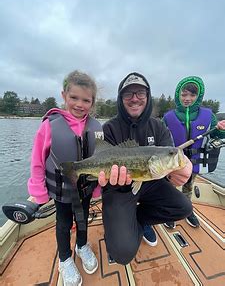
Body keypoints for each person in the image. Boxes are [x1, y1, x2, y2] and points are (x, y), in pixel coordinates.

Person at [97, 72, 193, 265]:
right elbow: (99, 159)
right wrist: (106, 179)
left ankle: (140, 220)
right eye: (128, 94)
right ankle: (120, 225)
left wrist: (184, 168)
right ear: (120, 98)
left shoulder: (158, 127)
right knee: (122, 254)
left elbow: (170, 158)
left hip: (151, 183)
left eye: (140, 93)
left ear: (148, 97)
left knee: (183, 207)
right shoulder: (107, 128)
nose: (135, 99)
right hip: (118, 189)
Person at [28, 70, 103, 286]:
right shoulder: (49, 126)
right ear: (64, 95)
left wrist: (97, 188)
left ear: (92, 102)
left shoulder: (97, 129)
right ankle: (65, 258)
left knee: (83, 219)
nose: (80, 104)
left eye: (86, 100)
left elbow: (101, 159)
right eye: (74, 98)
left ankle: (82, 245)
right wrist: (38, 190)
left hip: (86, 189)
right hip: (61, 192)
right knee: (63, 224)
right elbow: (37, 161)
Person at [163, 76, 225, 229]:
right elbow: (161, 139)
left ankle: (187, 210)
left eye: (192, 95)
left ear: (198, 97)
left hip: (195, 161)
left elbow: (217, 135)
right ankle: (170, 210)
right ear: (178, 95)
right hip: (174, 161)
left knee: (188, 188)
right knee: (171, 187)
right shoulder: (168, 117)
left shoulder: (208, 116)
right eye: (184, 95)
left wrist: (221, 130)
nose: (187, 99)